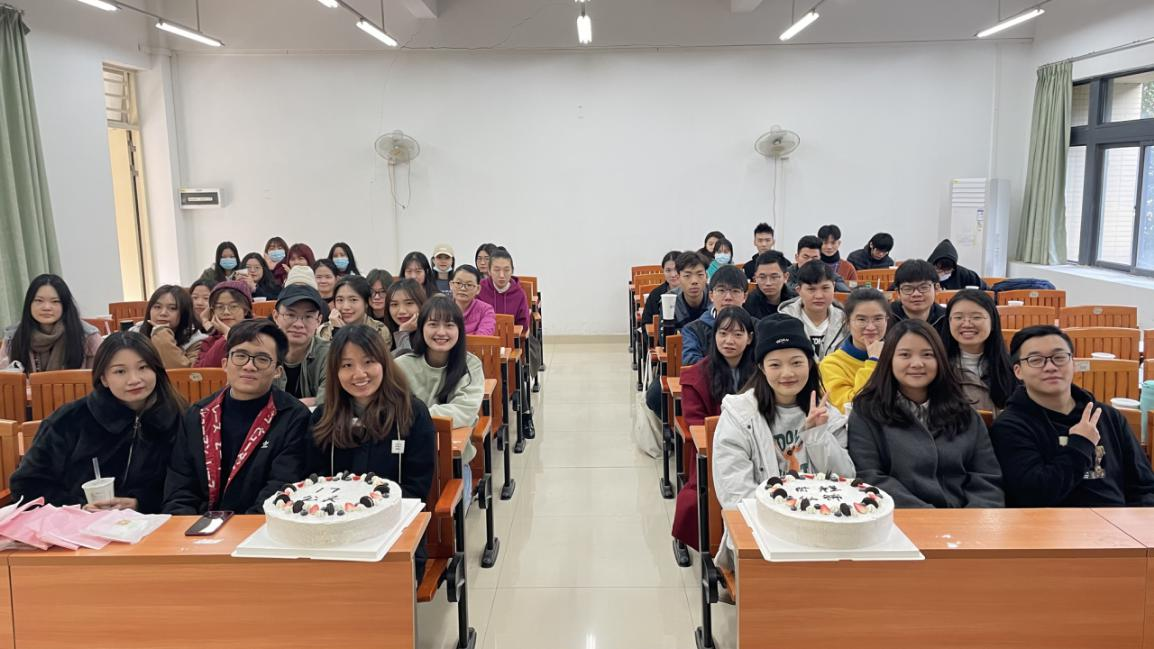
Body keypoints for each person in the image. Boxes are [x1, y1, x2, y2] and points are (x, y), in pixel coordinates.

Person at [308, 324, 437, 578]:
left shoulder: (412, 413)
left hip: (395, 531)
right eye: (347, 365)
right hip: (335, 532)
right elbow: (314, 480)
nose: (359, 374)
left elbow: (417, 487)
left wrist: (368, 516)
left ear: (384, 363)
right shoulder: (323, 417)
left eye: (368, 362)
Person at [10, 332, 185, 514]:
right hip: (77, 525)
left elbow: (186, 487)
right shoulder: (69, 420)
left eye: (143, 367)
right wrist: (79, 507)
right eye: (120, 371)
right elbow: (26, 485)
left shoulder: (177, 418)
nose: (134, 380)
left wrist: (140, 503)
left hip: (151, 524)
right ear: (103, 378)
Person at [991, 325, 1154, 507]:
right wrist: (1080, 444)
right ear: (1018, 371)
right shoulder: (1009, 426)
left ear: (1073, 363)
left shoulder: (1108, 417)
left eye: (1060, 357)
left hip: (1117, 521)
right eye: (1036, 360)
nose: (1050, 367)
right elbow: (1033, 496)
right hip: (1047, 523)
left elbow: (1144, 487)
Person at [848, 319, 1004, 509]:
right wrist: (928, 516)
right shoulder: (867, 412)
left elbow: (986, 478)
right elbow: (870, 477)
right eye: (905, 355)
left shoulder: (964, 413)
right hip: (901, 517)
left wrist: (971, 517)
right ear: (889, 359)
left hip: (964, 519)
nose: (917, 363)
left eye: (927, 355)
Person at [713, 314, 854, 520]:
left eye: (796, 362)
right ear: (762, 368)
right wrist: (789, 520)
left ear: (810, 363)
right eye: (775, 365)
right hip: (762, 525)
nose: (787, 373)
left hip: (822, 522)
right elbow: (736, 496)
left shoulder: (826, 415)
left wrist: (817, 435)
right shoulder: (739, 415)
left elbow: (846, 480)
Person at [164, 319, 312, 515]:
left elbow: (280, 489)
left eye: (262, 359)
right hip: (198, 526)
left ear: (277, 371)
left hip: (259, 526)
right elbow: (180, 488)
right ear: (225, 363)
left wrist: (239, 530)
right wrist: (191, 527)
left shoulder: (293, 417)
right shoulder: (198, 415)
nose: (249, 366)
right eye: (240, 356)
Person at [671, 306, 757, 550]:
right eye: (723, 333)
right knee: (697, 500)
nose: (729, 341)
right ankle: (707, 547)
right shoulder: (696, 375)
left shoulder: (761, 372)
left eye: (738, 334)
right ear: (714, 336)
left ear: (750, 338)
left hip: (757, 449)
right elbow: (696, 424)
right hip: (714, 451)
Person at [394, 296, 484, 497]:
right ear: (421, 328)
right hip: (407, 461)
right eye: (433, 324)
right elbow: (391, 412)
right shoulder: (401, 366)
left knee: (448, 511)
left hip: (452, 462)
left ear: (459, 330)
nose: (441, 332)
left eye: (449, 325)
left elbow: (464, 412)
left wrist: (417, 418)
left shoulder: (471, 365)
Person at [1, 274, 102, 373]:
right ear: (29, 303)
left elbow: (99, 378)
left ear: (65, 305)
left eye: (55, 301)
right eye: (39, 300)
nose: (46, 307)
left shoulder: (88, 336)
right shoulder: (13, 337)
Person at [942, 290, 1016, 412]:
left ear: (993, 322)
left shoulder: (1011, 367)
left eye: (976, 317)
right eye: (958, 317)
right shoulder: (938, 366)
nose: (967, 324)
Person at [819, 288, 889, 411]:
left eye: (878, 319)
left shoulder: (898, 356)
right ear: (847, 323)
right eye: (861, 319)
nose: (871, 327)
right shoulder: (831, 364)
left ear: (886, 320)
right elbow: (850, 406)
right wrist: (874, 361)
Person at [272, 284, 330, 407]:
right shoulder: (263, 351)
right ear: (276, 316)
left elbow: (330, 400)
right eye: (290, 315)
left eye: (308, 317)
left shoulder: (330, 354)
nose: (298, 324)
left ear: (318, 321)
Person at [777, 262, 848, 360]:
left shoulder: (846, 321)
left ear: (833, 287)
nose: (819, 296)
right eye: (811, 289)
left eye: (825, 288)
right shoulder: (784, 320)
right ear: (799, 290)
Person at [682, 265, 749, 366]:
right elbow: (690, 361)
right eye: (721, 291)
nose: (728, 297)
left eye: (735, 291)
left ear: (745, 297)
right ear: (711, 295)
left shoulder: (756, 327)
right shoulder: (693, 330)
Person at [131, 285, 209, 368]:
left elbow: (185, 372)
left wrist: (161, 334)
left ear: (184, 313)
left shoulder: (196, 341)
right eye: (157, 307)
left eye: (172, 308)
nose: (163, 313)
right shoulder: (135, 333)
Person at [317, 275, 392, 349]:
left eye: (353, 300)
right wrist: (337, 331)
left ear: (367, 302)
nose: (346, 307)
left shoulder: (379, 330)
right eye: (340, 300)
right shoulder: (324, 331)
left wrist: (343, 332)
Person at [195, 280, 253, 369]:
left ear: (245, 310)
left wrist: (230, 335)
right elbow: (203, 372)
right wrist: (226, 336)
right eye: (220, 307)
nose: (226, 312)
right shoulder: (209, 341)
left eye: (233, 306)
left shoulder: (258, 334)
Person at [890, 259, 946, 327]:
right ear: (898, 292)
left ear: (936, 288)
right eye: (908, 289)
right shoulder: (886, 317)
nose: (916, 294)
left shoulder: (947, 318)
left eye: (923, 287)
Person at [744, 251, 794, 319]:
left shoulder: (795, 301)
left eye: (774, 277)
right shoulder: (747, 303)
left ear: (786, 277)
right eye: (762, 277)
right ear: (755, 278)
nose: (768, 283)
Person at [384, 279, 428, 357]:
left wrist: (402, 333)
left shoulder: (429, 335)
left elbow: (406, 362)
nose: (402, 311)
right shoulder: (383, 333)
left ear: (421, 303)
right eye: (394, 304)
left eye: (409, 303)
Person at [638, 251, 681, 330]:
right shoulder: (655, 295)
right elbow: (646, 324)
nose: (673, 274)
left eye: (677, 269)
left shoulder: (693, 293)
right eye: (668, 270)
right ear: (663, 271)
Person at [451, 264, 496, 336]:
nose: (463, 288)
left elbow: (484, 336)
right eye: (458, 283)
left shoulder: (486, 310)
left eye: (469, 285)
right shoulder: (441, 308)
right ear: (451, 285)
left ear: (478, 289)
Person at [672, 251, 712, 330]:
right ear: (678, 278)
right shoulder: (670, 300)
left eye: (700, 275)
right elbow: (665, 337)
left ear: (706, 277)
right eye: (687, 275)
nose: (694, 281)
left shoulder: (716, 296)